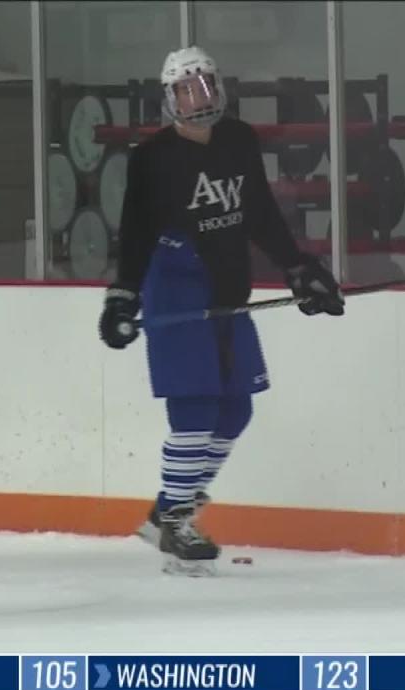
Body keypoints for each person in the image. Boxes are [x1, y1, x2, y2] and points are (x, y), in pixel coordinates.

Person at [98, 46, 345, 576]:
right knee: (195, 410)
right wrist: (123, 294)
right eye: (187, 91)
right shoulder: (152, 159)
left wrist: (296, 267)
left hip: (229, 286)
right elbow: (137, 232)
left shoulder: (238, 140)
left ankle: (168, 511)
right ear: (170, 100)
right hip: (177, 289)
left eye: (206, 86)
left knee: (236, 410)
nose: (199, 99)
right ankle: (179, 520)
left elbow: (257, 210)